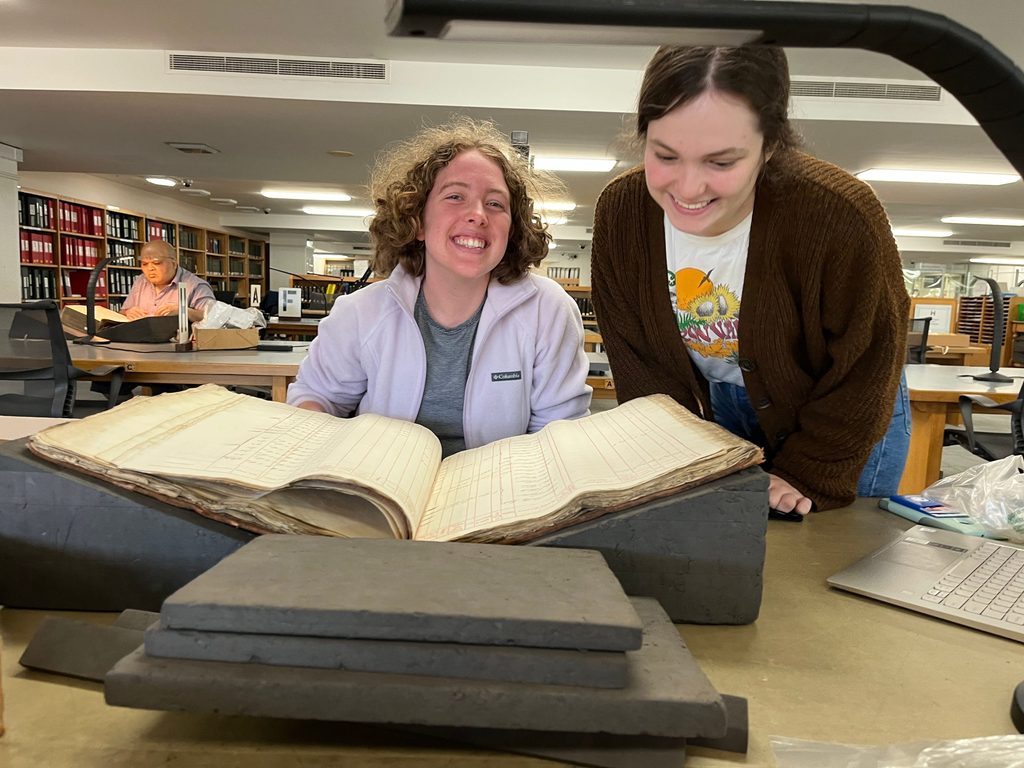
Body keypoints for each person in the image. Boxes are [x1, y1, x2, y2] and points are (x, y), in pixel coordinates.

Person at [590, 45, 910, 514]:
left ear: (772, 145)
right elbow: (641, 364)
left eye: (720, 162)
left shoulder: (838, 213)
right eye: (666, 156)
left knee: (820, 563)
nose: (688, 187)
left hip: (846, 413)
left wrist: (806, 473)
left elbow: (868, 359)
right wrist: (674, 465)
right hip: (722, 404)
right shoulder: (623, 212)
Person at [287, 118, 592, 457]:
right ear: (417, 220)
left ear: (512, 228)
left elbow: (558, 434)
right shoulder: (361, 313)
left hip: (502, 497)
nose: (477, 214)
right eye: (455, 196)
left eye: (495, 203)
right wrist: (313, 419)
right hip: (383, 493)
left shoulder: (548, 310)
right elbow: (316, 397)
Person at [121, 239, 215, 323]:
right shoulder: (141, 281)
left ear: (173, 264)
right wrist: (128, 312)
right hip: (140, 338)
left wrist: (184, 311)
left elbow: (214, 317)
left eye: (156, 263)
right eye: (145, 264)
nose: (150, 268)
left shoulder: (196, 285)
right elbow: (122, 312)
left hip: (176, 340)